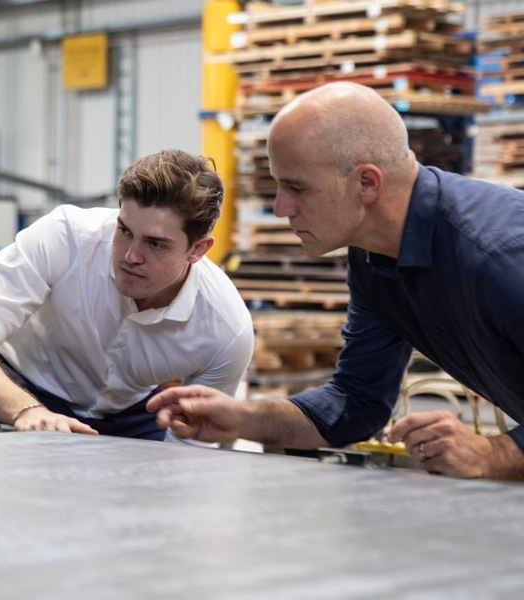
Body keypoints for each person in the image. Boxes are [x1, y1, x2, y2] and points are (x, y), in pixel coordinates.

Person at [147, 82, 524, 480]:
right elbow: (356, 400)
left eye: (296, 187)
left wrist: (491, 453)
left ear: (366, 183)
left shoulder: (501, 258)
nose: (280, 208)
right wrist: (243, 418)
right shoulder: (375, 257)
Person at [0, 149, 254, 440]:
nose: (131, 256)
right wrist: (28, 411)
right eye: (124, 231)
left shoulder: (225, 329)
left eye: (155, 243)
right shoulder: (65, 238)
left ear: (197, 249)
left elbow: (191, 446)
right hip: (20, 395)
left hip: (133, 418)